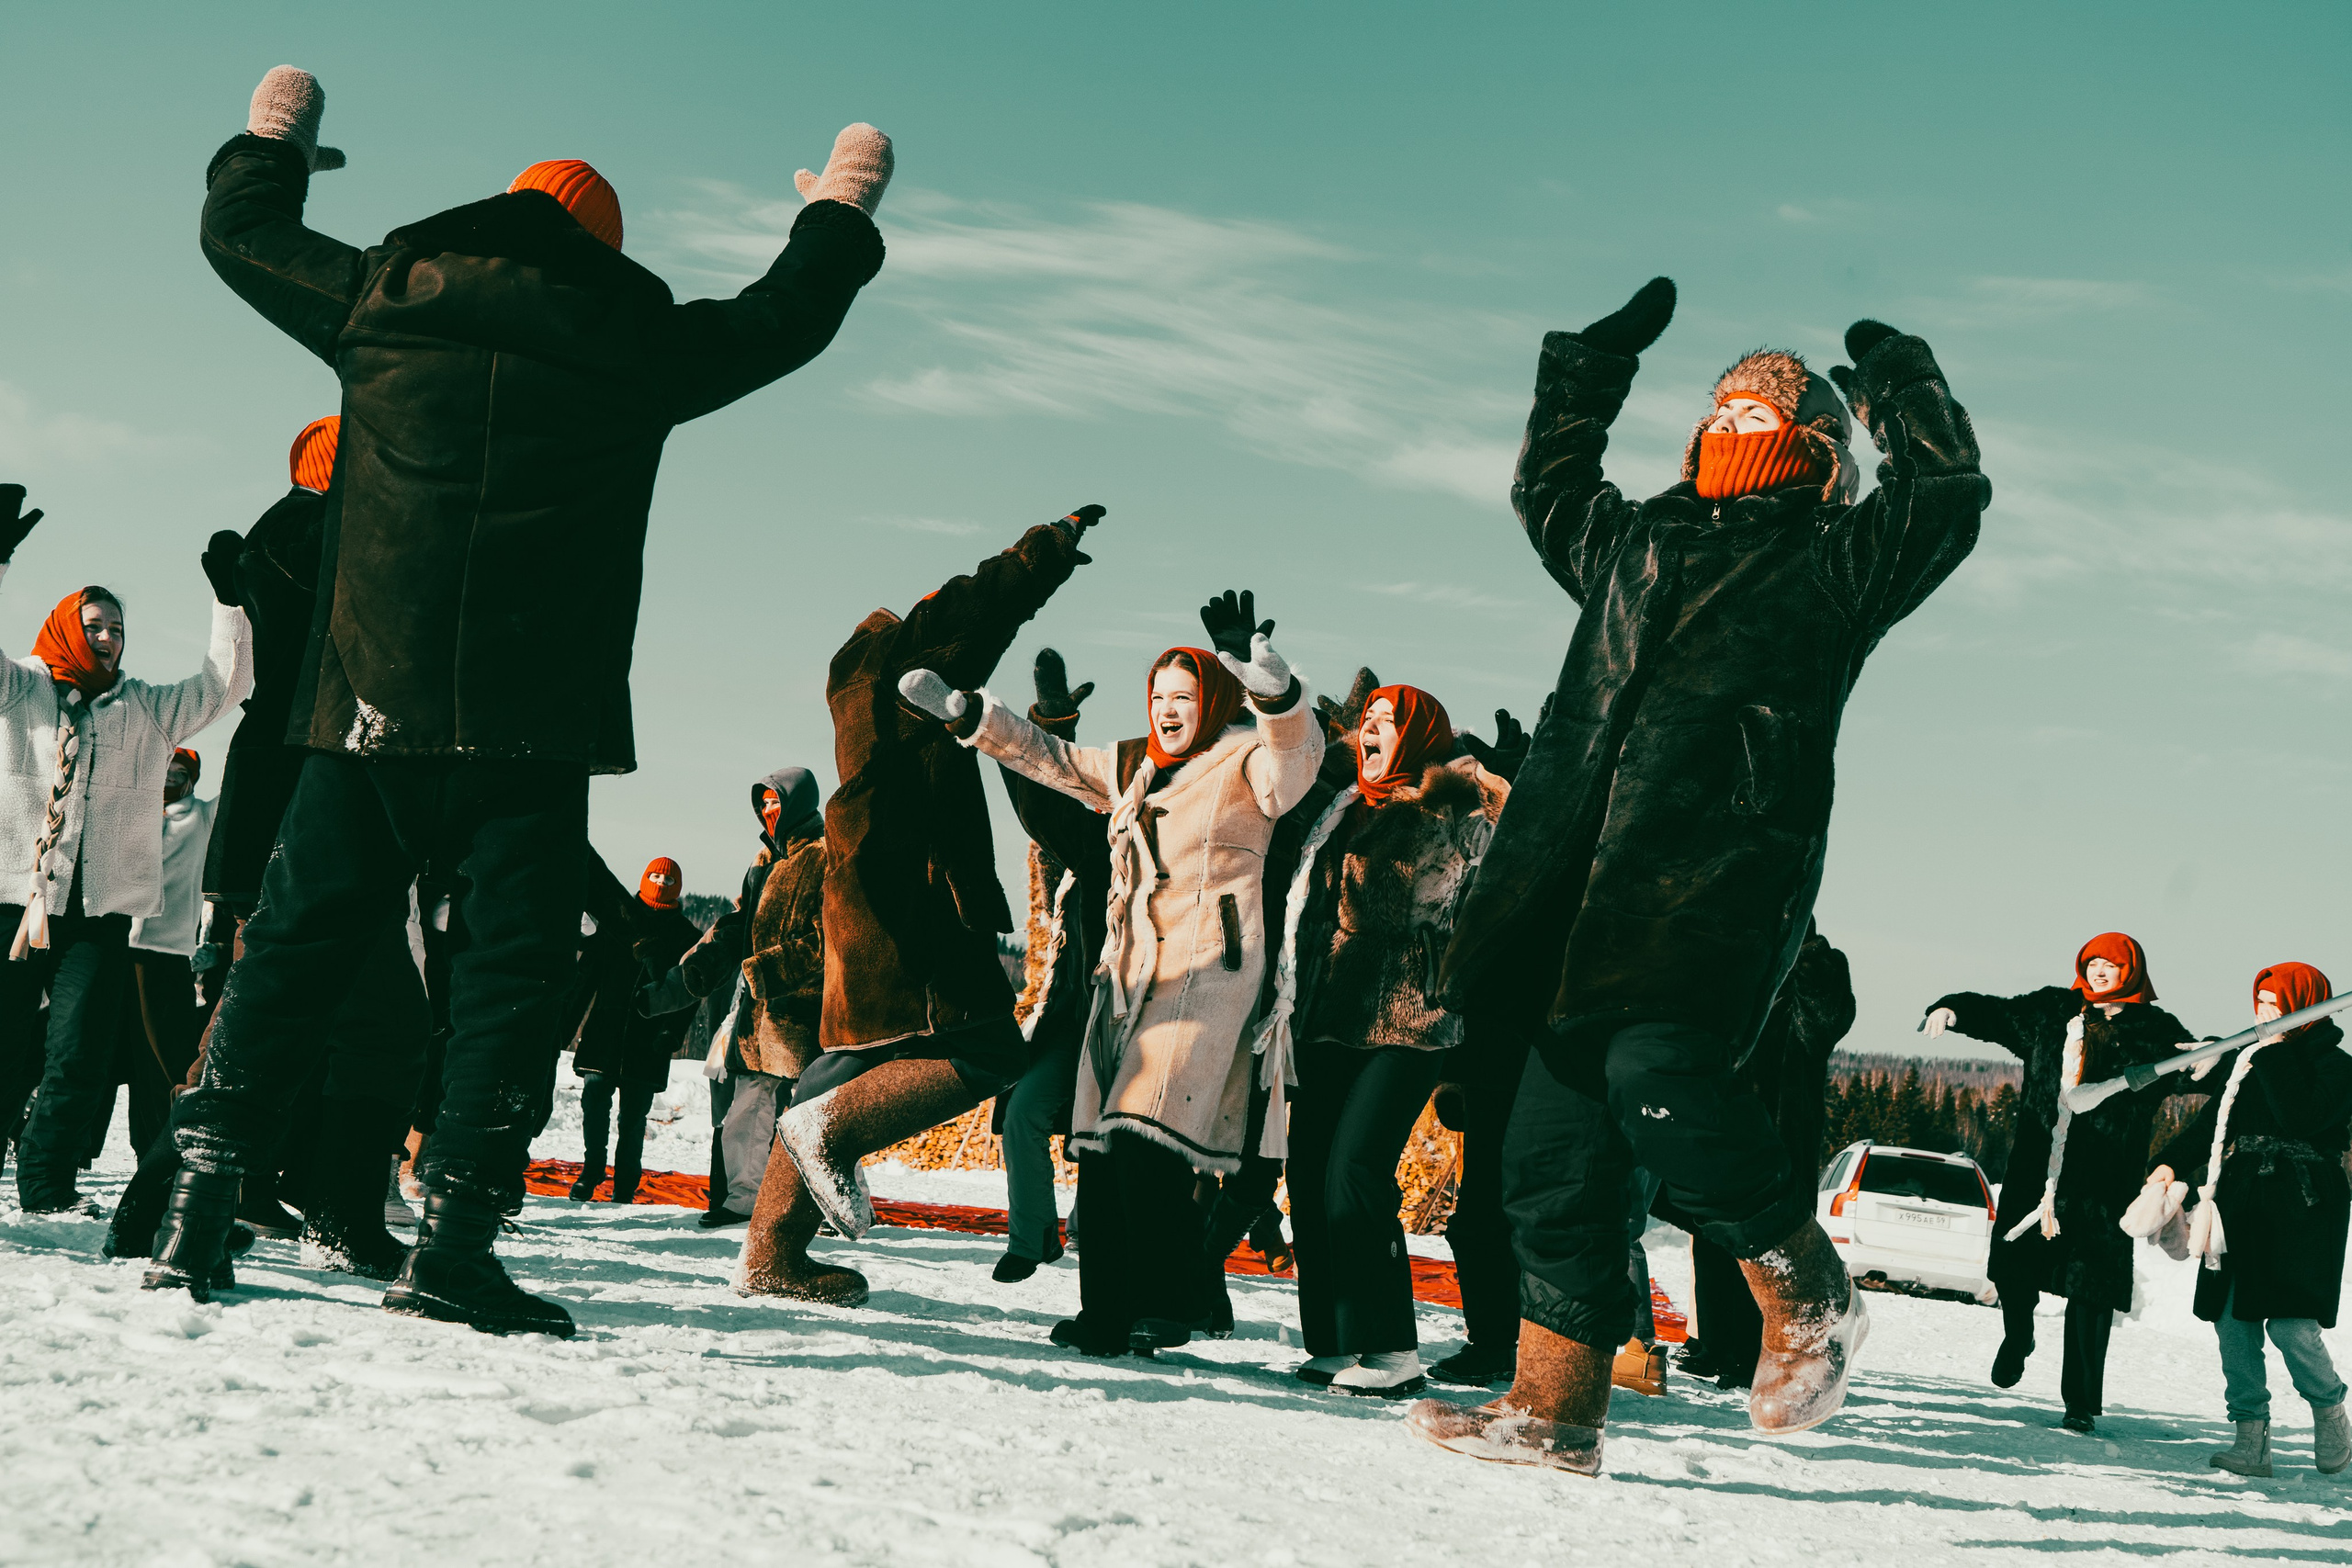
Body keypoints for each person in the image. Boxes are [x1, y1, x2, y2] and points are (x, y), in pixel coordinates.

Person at [148, 66, 892, 1336]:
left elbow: (237, 236)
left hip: (367, 706)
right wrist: (837, 205)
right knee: (505, 975)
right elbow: (787, 315)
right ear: (601, 250)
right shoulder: (633, 343)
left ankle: (195, 1209)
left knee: (294, 942)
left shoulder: (386, 297)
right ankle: (450, 1243)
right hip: (530, 726)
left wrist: (273, 145)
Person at [1410, 280, 1988, 1473]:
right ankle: (1552, 1408)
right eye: (1722, 412)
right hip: (1561, 887)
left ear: (1819, 447)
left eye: (1765, 412)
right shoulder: (1632, 542)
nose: (1739, 428)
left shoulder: (1836, 559)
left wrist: (1896, 377)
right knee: (1547, 1163)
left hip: (1705, 887)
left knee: (1654, 1072)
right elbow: (1548, 486)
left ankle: (1809, 1292)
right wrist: (1586, 368)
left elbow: (1944, 495)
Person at [916, 588, 1324, 1354]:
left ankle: (1169, 1304)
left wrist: (1267, 680)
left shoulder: (1246, 762)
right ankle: (1104, 1311)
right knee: (1099, 1148)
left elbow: (1298, 757)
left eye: (1186, 696)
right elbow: (1054, 761)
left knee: (1142, 1134)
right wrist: (974, 717)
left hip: (1209, 972)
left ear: (1212, 700)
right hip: (1128, 979)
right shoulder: (1133, 763)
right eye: (1160, 696)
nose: (1170, 710)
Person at [736, 509, 1099, 1305]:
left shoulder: (852, 683)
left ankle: (771, 1251)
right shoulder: (902, 656)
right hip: (919, 893)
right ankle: (833, 1138)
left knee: (836, 1073)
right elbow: (981, 603)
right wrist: (1045, 550)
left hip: (862, 893)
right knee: (990, 1054)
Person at [0, 483, 253, 1214]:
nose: (109, 636)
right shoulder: (20, 689)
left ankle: (48, 1187)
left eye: (117, 626)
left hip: (99, 914)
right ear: (65, 628)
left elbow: (224, 684)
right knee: (3, 1045)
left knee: (76, 1054)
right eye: (96, 624)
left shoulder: (143, 706)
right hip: (14, 901)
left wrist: (228, 603)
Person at [1265, 682, 1506, 1396]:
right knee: (1307, 1173)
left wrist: (1478, 776)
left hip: (1411, 1019)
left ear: (1421, 735)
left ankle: (1393, 1349)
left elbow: (1511, 839)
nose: (1367, 731)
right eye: (1364, 721)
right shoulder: (1340, 808)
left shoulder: (1451, 807)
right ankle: (1337, 1340)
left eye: (1385, 722)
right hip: (1329, 1016)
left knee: (1354, 1171)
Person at [1922, 932, 2192, 1432]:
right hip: (2038, 1171)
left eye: (2111, 964)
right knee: (2015, 1265)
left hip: (2105, 1181)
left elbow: (2190, 1068)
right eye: (2092, 963)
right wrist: (1952, 1009)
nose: (2099, 971)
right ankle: (2018, 1333)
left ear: (2130, 970)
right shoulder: (2053, 1010)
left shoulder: (2155, 1029)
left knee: (2090, 1291)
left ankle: (2081, 1404)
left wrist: (2209, 1060)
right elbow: (1998, 1013)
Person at [2141, 962, 2350, 1477]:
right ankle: (2250, 1440)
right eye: (2259, 1005)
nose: (2263, 1014)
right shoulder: (2251, 1062)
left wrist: (2271, 1051)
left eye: (2276, 1005)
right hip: (2242, 1199)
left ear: (2308, 1006)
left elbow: (2301, 1117)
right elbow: (2214, 1123)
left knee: (2290, 1325)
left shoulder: (2335, 1065)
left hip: (2303, 1203)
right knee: (2233, 1322)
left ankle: (2331, 1416)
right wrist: (2167, 1162)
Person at [1676, 925, 1854, 1390]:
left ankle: (1752, 1358)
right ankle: (1714, 1346)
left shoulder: (1810, 983)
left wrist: (1807, 949)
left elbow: (1830, 1016)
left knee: (1767, 1252)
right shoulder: (1735, 972)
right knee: (1713, 1242)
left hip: (1780, 1143)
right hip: (1720, 1131)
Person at [985, 650, 1110, 1282]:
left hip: (1129, 1017)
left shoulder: (1144, 848)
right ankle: (1031, 1236)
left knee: (1106, 1138)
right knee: (1026, 1110)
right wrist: (1053, 725)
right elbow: (1047, 796)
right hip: (1066, 1014)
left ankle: (1106, 1243)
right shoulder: (1073, 852)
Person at [726, 772, 829, 1225]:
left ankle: (840, 1205)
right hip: (756, 1019)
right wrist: (693, 970)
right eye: (763, 804)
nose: (769, 811)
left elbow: (828, 939)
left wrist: (765, 971)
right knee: (744, 1116)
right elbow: (737, 923)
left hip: (803, 1014)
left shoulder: (827, 855)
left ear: (798, 803)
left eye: (776, 803)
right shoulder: (761, 861)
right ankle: (742, 1201)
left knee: (816, 1117)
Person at [567, 858, 700, 1203]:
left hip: (649, 1039)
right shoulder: (617, 919)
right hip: (604, 1030)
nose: (660, 882)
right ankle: (591, 1171)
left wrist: (672, 1034)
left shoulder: (687, 936)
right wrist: (566, 1024)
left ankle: (625, 1182)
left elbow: (690, 994)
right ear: (643, 878)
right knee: (594, 1103)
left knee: (634, 1117)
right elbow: (586, 976)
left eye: (668, 878)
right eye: (655, 875)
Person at [117, 749, 215, 1157]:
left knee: (162, 1062)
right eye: (166, 770)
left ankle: (159, 1153)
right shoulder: (130, 816)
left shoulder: (203, 818)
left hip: (165, 956)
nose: (172, 778)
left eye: (181, 772)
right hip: (110, 950)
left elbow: (238, 788)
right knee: (94, 1057)